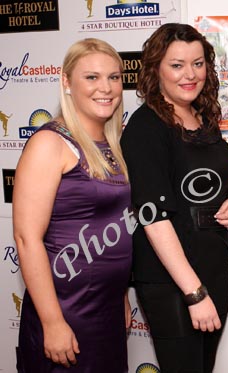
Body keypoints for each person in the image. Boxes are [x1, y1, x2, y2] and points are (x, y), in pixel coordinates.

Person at [120, 23, 228, 372]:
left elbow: (211, 182)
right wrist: (194, 292)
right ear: (155, 69)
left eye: (198, 63)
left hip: (213, 268)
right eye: (177, 65)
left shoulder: (202, 119)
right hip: (173, 281)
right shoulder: (146, 127)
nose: (190, 74)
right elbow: (153, 218)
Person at [13, 38, 131, 372]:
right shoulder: (49, 143)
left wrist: (120, 295)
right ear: (66, 81)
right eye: (91, 77)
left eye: (113, 77)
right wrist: (52, 322)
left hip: (105, 310)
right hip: (67, 308)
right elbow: (26, 238)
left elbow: (114, 225)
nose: (105, 87)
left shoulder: (111, 144)